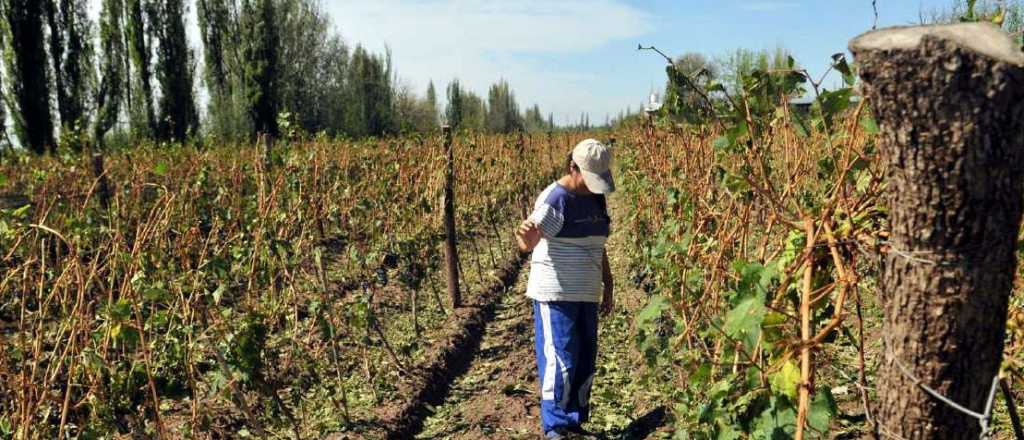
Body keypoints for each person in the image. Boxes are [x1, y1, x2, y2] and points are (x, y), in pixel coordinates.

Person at [515, 138, 615, 439]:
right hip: (556, 292)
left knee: (585, 357)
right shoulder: (555, 199)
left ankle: (574, 422)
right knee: (562, 357)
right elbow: (527, 243)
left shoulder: (596, 197)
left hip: (586, 292)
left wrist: (608, 284)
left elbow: (598, 244)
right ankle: (556, 427)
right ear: (573, 167)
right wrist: (523, 236)